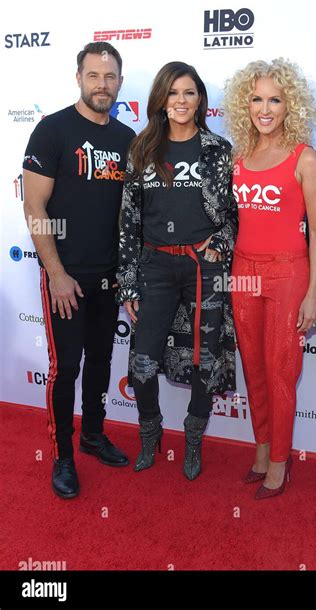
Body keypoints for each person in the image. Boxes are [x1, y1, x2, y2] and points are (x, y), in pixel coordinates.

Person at [23, 42, 136, 499]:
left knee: (103, 363)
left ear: (119, 83)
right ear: (79, 78)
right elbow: (34, 205)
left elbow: (131, 216)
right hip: (65, 277)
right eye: (94, 76)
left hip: (108, 277)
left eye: (110, 78)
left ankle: (93, 433)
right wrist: (56, 272)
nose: (102, 85)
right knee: (65, 367)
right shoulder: (52, 130)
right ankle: (63, 456)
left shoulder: (127, 139)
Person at [117, 61, 237, 480]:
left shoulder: (218, 150)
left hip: (203, 268)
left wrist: (220, 244)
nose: (181, 101)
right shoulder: (142, 149)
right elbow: (129, 220)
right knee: (143, 362)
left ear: (200, 99)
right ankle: (150, 435)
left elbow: (232, 215)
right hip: (153, 265)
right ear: (161, 101)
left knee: (205, 361)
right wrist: (129, 279)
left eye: (189, 93)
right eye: (173, 93)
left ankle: (192, 439)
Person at [223, 59, 316, 499]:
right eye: (257, 99)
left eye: (275, 99)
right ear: (244, 105)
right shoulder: (240, 156)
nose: (265, 108)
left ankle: (280, 464)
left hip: (288, 273)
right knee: (254, 369)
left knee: (281, 371)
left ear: (291, 105)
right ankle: (262, 450)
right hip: (243, 272)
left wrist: (313, 291)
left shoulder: (306, 158)